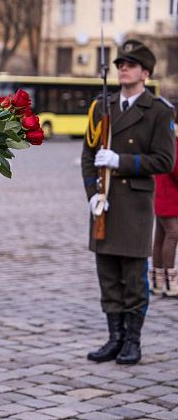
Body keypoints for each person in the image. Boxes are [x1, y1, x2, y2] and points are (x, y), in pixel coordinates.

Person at [82, 39, 175, 365]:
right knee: (108, 276)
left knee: (133, 279)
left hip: (134, 206)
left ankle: (132, 341)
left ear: (145, 73)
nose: (123, 69)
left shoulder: (159, 112)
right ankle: (114, 338)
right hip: (105, 203)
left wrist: (122, 161)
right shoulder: (102, 107)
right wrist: (93, 194)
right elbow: (88, 155)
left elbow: (164, 160)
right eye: (120, 64)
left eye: (130, 65)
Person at [152, 126, 178, 296]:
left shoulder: (165, 136)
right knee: (173, 233)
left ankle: (157, 279)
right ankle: (170, 281)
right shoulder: (174, 140)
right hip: (169, 195)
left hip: (162, 193)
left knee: (161, 235)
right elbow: (175, 168)